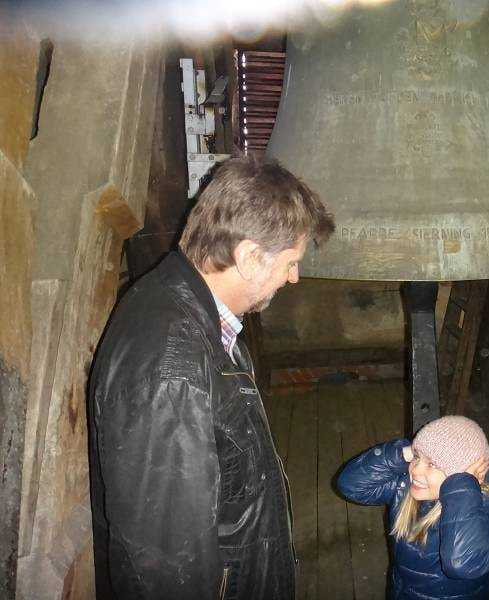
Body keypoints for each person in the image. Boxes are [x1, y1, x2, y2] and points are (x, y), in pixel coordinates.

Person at [88, 155, 334, 600]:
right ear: (250, 257)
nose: (294, 277)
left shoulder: (195, 313)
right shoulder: (169, 372)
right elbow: (167, 569)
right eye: (290, 262)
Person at [337, 415, 489, 599]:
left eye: (432, 464)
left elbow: (463, 564)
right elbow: (350, 485)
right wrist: (404, 453)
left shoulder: (479, 505)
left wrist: (461, 487)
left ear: (461, 476)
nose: (415, 470)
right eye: (416, 457)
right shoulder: (406, 487)